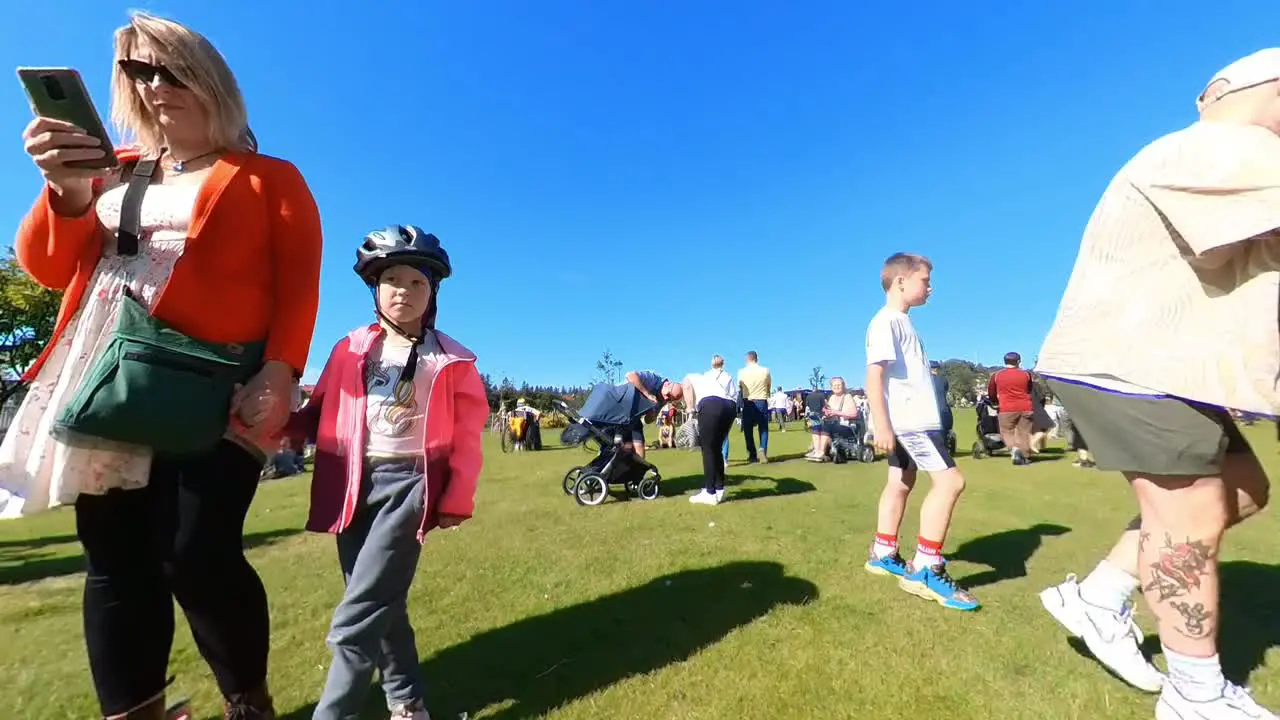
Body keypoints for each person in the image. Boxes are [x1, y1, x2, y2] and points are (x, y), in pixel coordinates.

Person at [0, 12, 322, 720]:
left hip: (218, 384)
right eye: (138, 73)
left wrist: (281, 369)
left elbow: (299, 283)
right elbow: (48, 267)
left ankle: (249, 702)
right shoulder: (109, 167)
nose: (155, 86)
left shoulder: (270, 177)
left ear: (212, 81)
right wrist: (66, 191)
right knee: (114, 562)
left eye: (171, 70)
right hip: (105, 377)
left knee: (196, 553)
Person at [1034, 49, 1280, 718]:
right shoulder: (1224, 147)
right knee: (1192, 513)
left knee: (1243, 491)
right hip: (1131, 364)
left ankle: (1099, 595)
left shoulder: (1226, 152)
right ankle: (1194, 693)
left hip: (1159, 365)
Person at [287, 225, 486, 720]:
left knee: (361, 612)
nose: (404, 291)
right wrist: (270, 423)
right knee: (382, 601)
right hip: (350, 483)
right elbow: (318, 412)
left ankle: (332, 714)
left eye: (417, 282)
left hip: (409, 488)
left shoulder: (451, 360)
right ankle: (408, 700)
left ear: (432, 291)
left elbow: (467, 437)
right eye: (392, 280)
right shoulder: (350, 348)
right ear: (375, 289)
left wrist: (454, 497)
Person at [863, 253, 979, 612]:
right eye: (925, 280)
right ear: (901, 281)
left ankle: (883, 552)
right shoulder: (887, 322)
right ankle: (927, 568)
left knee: (901, 482)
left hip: (912, 420)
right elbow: (873, 376)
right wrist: (882, 425)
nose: (930, 287)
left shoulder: (901, 323)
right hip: (911, 422)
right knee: (950, 482)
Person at [679, 356, 738, 505]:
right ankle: (719, 490)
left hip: (711, 404)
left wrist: (690, 411)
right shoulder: (721, 377)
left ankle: (710, 492)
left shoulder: (693, 377)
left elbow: (686, 385)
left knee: (708, 449)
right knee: (716, 448)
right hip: (730, 406)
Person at [986, 352, 1035, 465]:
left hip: (1007, 407)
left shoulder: (997, 375)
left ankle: (1014, 449)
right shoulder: (1026, 374)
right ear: (1018, 362)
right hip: (1025, 406)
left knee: (1006, 431)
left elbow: (991, 392)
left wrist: (994, 401)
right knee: (1024, 432)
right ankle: (1025, 456)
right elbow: (1029, 389)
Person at [623, 369, 683, 459]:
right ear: (667, 384)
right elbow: (631, 376)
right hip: (619, 405)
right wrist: (647, 395)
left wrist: (652, 412)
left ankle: (638, 471)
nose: (666, 398)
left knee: (639, 448)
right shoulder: (653, 378)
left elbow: (648, 420)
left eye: (670, 399)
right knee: (616, 447)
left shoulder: (662, 400)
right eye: (668, 394)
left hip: (632, 418)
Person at [806, 377, 859, 462]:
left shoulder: (847, 397)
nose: (836, 387)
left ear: (843, 386)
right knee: (816, 425)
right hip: (833, 423)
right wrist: (826, 412)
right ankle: (817, 450)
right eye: (834, 385)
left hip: (846, 425)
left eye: (839, 385)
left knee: (826, 427)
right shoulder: (832, 397)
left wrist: (837, 413)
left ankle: (821, 452)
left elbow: (854, 414)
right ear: (831, 387)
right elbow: (829, 411)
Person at [736, 351, 772, 463]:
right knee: (763, 428)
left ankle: (752, 454)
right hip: (761, 400)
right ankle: (763, 448)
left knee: (748, 429)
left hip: (748, 402)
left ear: (747, 359)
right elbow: (768, 385)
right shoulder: (765, 370)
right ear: (757, 359)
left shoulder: (742, 372)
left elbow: (740, 386)